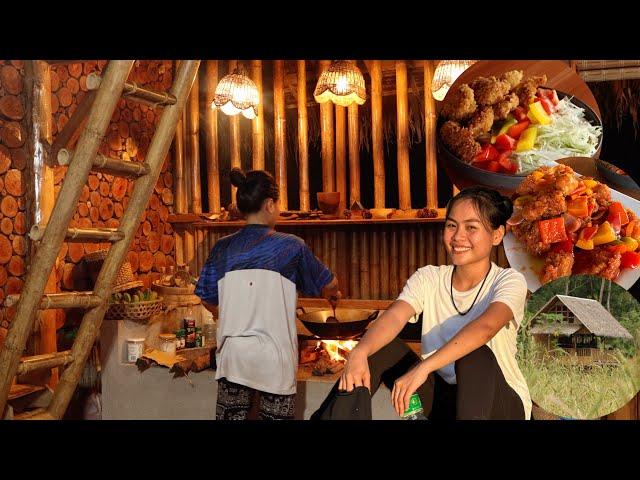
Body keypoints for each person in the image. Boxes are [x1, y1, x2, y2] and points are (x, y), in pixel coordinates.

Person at [314, 186, 531, 420]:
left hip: (499, 406)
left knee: (474, 355)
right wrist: (359, 352)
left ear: (497, 235)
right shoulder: (429, 277)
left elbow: (485, 329)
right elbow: (395, 316)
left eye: (471, 227)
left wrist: (424, 367)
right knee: (378, 347)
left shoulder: (509, 281)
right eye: (451, 225)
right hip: (446, 403)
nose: (458, 237)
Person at [195, 168, 341, 420]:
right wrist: (334, 293)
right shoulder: (290, 246)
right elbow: (328, 283)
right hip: (275, 360)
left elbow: (206, 297)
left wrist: (229, 313)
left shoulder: (222, 248)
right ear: (270, 204)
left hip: (233, 358)